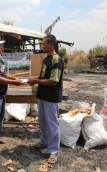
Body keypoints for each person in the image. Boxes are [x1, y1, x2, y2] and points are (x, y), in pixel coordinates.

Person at [27, 34, 64, 164]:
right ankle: (44, 142)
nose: (42, 46)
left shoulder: (56, 60)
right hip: (42, 95)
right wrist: (34, 78)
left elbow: (53, 81)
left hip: (51, 97)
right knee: (42, 122)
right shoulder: (46, 59)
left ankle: (54, 151)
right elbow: (43, 76)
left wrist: (35, 80)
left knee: (52, 124)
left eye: (44, 44)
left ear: (51, 44)